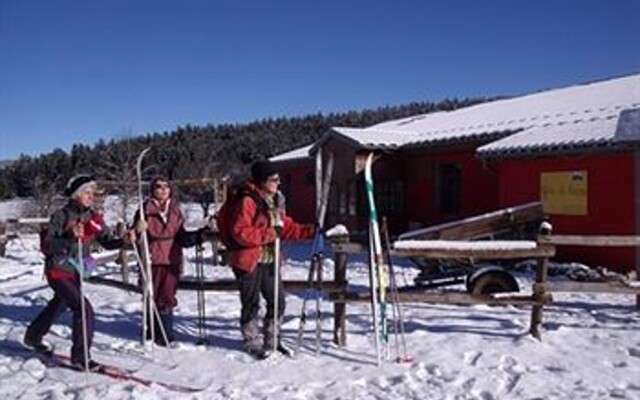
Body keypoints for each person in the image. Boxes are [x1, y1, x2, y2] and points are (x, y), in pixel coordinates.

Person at [23, 174, 130, 371]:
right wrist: (69, 237)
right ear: (75, 195)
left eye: (93, 193)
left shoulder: (93, 217)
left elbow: (107, 242)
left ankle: (33, 335)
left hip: (78, 270)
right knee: (83, 309)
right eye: (87, 192)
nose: (91, 196)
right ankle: (81, 357)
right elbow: (47, 245)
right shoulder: (61, 216)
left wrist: (126, 241)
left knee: (60, 304)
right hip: (58, 270)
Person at [225, 160, 315, 358]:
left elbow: (285, 226)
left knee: (278, 301)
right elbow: (240, 231)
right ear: (262, 181)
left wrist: (310, 231)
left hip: (271, 260)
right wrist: (270, 234)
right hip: (249, 260)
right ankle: (252, 341)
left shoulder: (275, 200)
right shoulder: (247, 201)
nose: (278, 182)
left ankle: (273, 340)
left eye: (278, 178)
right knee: (251, 303)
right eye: (274, 179)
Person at [132, 176, 210, 347]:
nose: (162, 190)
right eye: (158, 187)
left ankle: (166, 333)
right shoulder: (144, 209)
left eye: (166, 186)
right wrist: (138, 230)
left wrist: (198, 235)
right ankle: (152, 330)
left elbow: (181, 236)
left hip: (171, 258)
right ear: (152, 190)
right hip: (151, 258)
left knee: (167, 297)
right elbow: (133, 237)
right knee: (151, 295)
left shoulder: (175, 210)